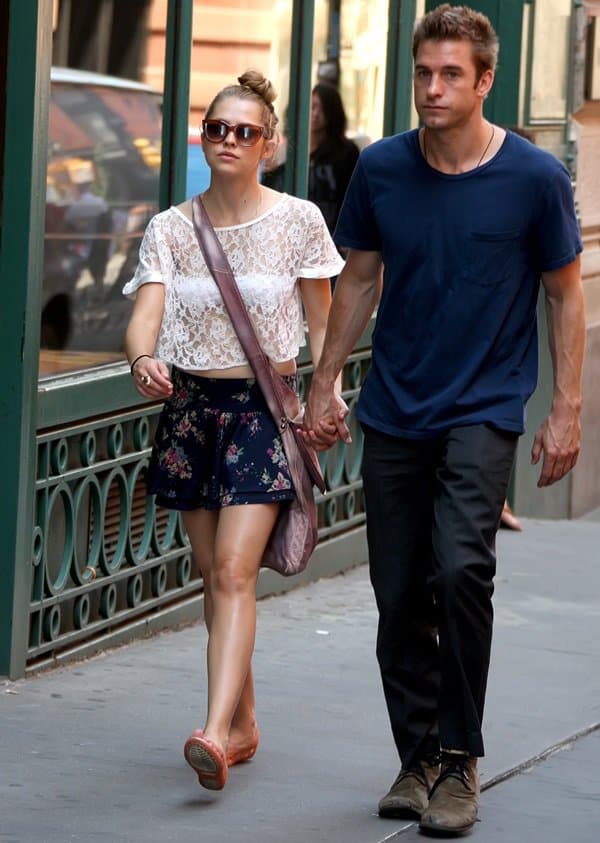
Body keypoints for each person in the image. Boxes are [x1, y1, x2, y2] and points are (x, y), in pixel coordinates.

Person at [304, 5, 584, 837]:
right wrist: (324, 383)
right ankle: (417, 753)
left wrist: (566, 408)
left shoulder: (533, 178)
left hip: (485, 405)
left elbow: (566, 293)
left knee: (461, 567)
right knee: (398, 590)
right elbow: (357, 280)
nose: (432, 87)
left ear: (485, 80)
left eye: (451, 73)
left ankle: (459, 759)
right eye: (423, 72)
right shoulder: (383, 169)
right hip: (395, 406)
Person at [123, 70, 344, 792]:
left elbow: (323, 326)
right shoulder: (171, 228)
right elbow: (145, 316)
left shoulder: (298, 220)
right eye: (216, 128)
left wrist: (327, 394)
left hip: (260, 412)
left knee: (233, 571)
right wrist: (143, 358)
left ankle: (215, 733)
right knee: (212, 576)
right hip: (191, 413)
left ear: (269, 145)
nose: (226, 140)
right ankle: (243, 720)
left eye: (243, 131)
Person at [308, 83, 360, 235]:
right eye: (312, 107)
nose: (315, 114)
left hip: (332, 235)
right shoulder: (295, 150)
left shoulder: (346, 152)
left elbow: (351, 196)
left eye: (321, 108)